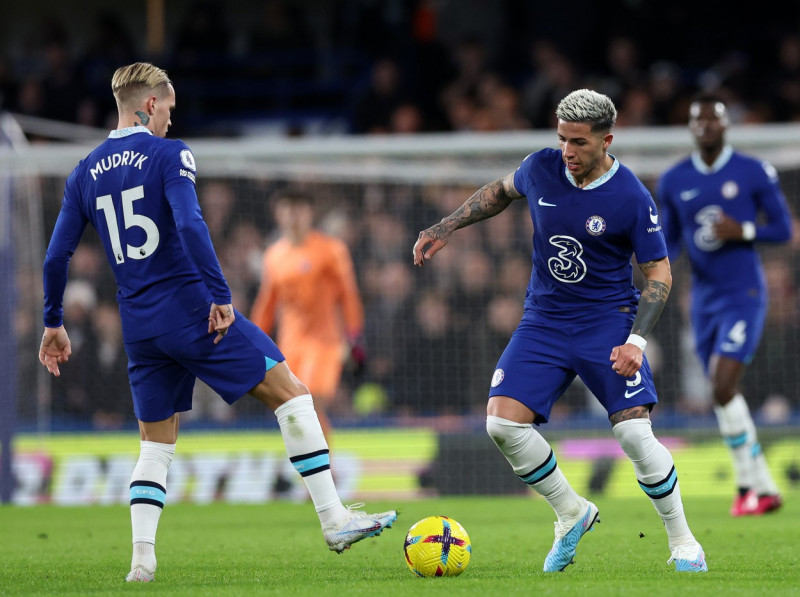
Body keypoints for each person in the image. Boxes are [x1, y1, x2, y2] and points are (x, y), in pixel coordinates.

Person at [38, 62, 396, 583]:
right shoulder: (169, 153)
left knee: (155, 446)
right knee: (293, 395)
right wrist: (220, 295)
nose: (169, 121)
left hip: (139, 325)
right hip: (191, 311)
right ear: (152, 105)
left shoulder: (82, 172)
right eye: (169, 111)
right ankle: (334, 519)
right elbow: (188, 222)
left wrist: (53, 321)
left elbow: (55, 257)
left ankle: (141, 563)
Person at [412, 88, 707, 573]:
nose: (568, 151)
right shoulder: (542, 166)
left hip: (607, 322)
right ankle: (571, 512)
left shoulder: (631, 196)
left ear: (606, 140)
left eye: (580, 142)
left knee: (634, 434)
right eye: (562, 138)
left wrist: (636, 341)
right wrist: (446, 226)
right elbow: (498, 193)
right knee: (502, 425)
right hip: (544, 321)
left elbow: (659, 274)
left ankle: (683, 542)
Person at [656, 93, 791, 516]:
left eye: (712, 120)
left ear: (725, 124)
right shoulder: (674, 179)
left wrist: (743, 230)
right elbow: (671, 241)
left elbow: (783, 229)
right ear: (691, 127)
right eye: (698, 121)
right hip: (703, 299)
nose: (705, 127)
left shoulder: (752, 171)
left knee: (722, 384)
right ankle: (761, 489)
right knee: (723, 394)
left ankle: (751, 485)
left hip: (743, 294)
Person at [250, 193, 366, 443]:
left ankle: (325, 467)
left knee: (310, 400)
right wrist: (251, 342)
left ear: (310, 213)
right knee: (295, 410)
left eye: (299, 209)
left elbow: (348, 295)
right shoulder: (274, 256)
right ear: (278, 214)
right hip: (290, 346)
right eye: (288, 209)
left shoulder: (330, 250)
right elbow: (266, 305)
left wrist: (354, 335)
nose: (294, 216)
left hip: (324, 343)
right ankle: (312, 469)